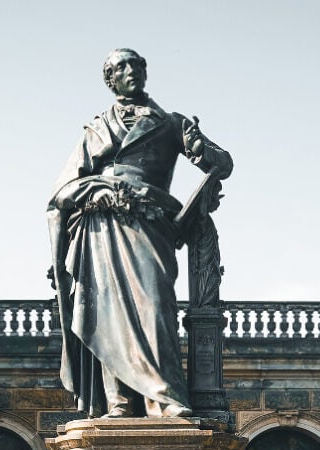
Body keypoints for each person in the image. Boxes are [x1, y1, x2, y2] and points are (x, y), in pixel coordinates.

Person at [48, 48, 233, 418]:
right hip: (100, 225)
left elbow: (223, 164)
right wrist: (95, 189)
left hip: (150, 223)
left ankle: (163, 399)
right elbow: (62, 191)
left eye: (135, 64)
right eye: (120, 67)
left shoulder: (170, 122)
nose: (129, 71)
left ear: (145, 72)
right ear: (110, 79)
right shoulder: (96, 128)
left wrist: (202, 150)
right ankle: (117, 403)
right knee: (104, 310)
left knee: (155, 305)